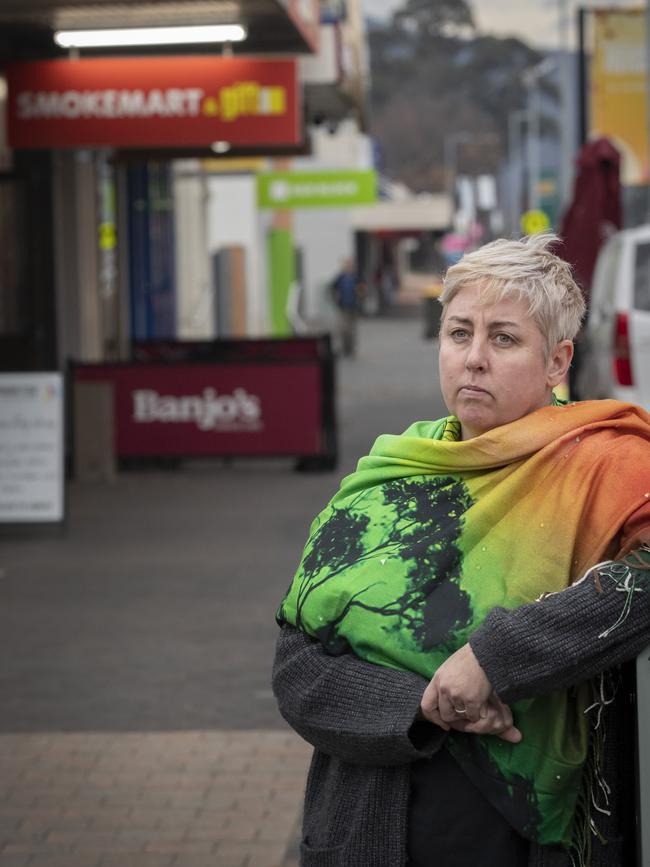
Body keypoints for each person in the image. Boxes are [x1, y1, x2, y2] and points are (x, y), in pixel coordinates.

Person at [273, 234, 650, 867]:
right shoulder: (388, 479)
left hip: (521, 838)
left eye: (504, 338)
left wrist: (492, 658)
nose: (473, 359)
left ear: (557, 363)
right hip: (365, 826)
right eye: (458, 333)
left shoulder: (605, 467)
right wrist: (421, 705)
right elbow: (295, 670)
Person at [330, 258, 363, 357]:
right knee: (343, 329)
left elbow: (362, 290)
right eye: (346, 265)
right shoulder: (340, 278)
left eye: (350, 265)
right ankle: (345, 349)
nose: (348, 267)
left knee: (352, 329)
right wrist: (335, 300)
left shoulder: (356, 278)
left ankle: (351, 349)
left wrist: (360, 300)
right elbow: (332, 289)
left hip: (353, 307)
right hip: (343, 307)